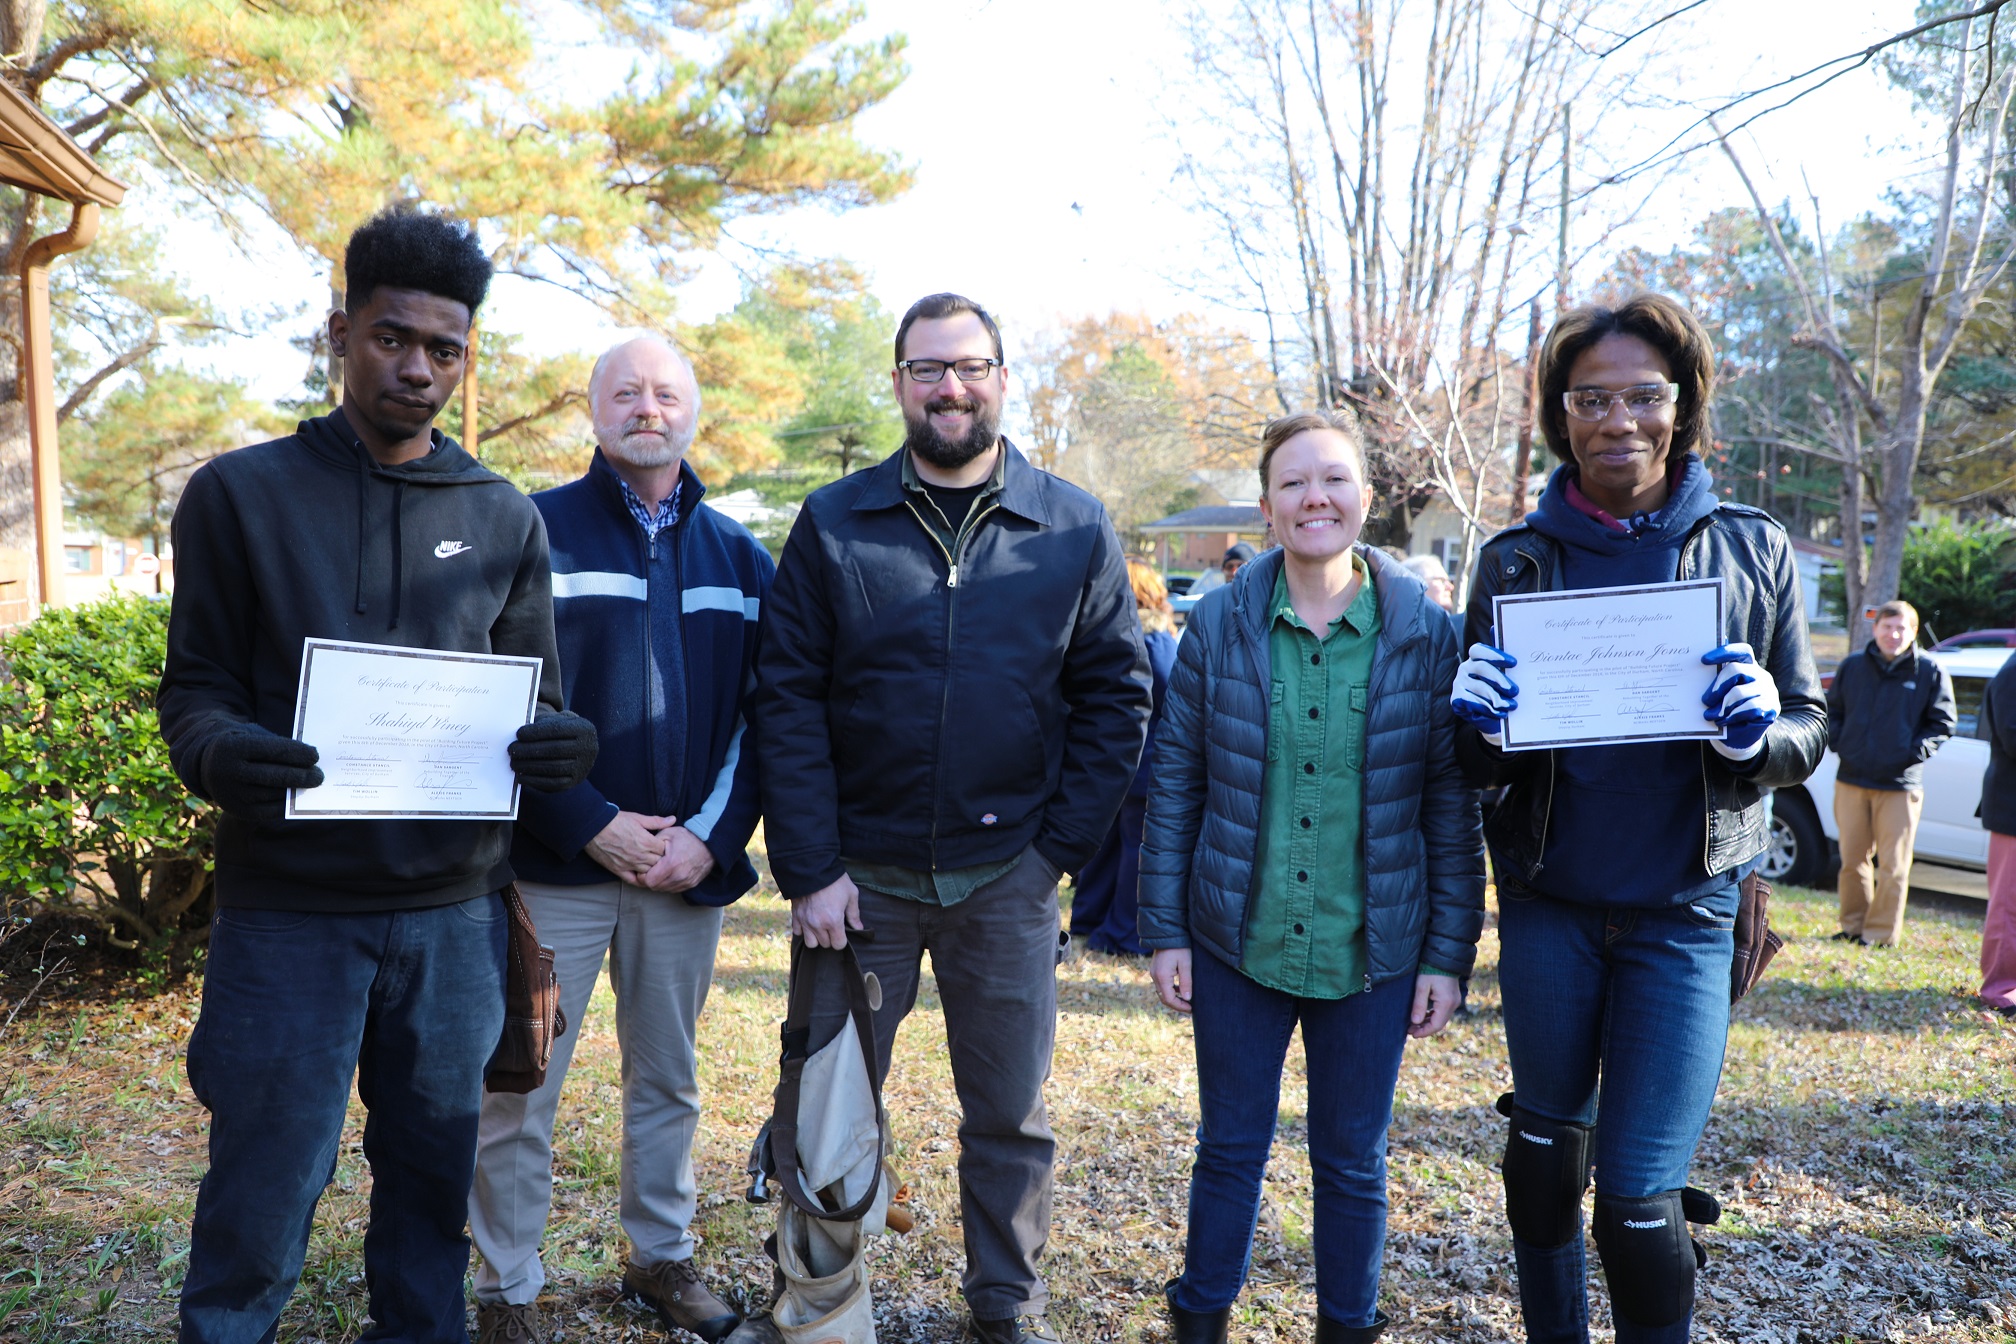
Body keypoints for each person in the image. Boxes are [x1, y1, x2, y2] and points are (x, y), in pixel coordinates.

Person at [156, 208, 599, 1344]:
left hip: (454, 921)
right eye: (391, 338)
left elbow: (534, 697)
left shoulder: (503, 517)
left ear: (467, 356)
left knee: (429, 1186)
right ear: (340, 330)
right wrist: (222, 752)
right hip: (289, 918)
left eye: (443, 349)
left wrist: (558, 743)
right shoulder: (239, 495)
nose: (416, 368)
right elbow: (194, 688)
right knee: (263, 1189)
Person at [753, 292, 1152, 1344]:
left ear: (1003, 378)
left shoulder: (1071, 527)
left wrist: (1054, 855)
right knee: (826, 1099)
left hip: (1004, 879)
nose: (950, 388)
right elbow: (785, 696)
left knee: (1011, 1116)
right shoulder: (836, 523)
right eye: (927, 370)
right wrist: (810, 869)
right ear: (898, 384)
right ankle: (819, 1300)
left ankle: (1004, 1304)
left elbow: (1119, 698)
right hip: (858, 881)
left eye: (969, 366)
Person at [1448, 293, 1825, 1344]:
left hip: (1684, 913)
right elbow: (1478, 759)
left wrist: (1761, 737)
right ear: (1560, 415)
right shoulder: (1515, 560)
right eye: (1592, 399)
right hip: (1549, 906)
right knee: (1538, 1162)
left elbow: (1807, 723)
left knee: (1638, 1202)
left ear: (1684, 404)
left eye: (1644, 396)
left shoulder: (1751, 549)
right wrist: (1474, 721)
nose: (1619, 420)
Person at [1140, 409, 1483, 1344]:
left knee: (1352, 1162)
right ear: (1266, 507)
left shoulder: (1426, 635)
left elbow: (1450, 807)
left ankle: (1348, 1327)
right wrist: (1165, 930)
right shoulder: (1219, 625)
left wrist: (1449, 953)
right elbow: (1175, 783)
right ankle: (1200, 1322)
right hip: (1237, 942)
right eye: (1293, 482)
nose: (1314, 497)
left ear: (1366, 498)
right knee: (1230, 1151)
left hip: (1372, 950)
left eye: (1333, 478)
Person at [468, 337, 772, 1344]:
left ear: (695, 411)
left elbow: (765, 722)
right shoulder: (531, 532)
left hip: (684, 875)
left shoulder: (741, 559)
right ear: (594, 410)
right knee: (519, 1083)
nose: (648, 405)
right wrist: (591, 824)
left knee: (670, 1077)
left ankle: (662, 1258)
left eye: (666, 390)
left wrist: (712, 840)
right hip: (556, 870)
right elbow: (496, 703)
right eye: (626, 390)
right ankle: (508, 1287)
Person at [1825, 599, 1956, 947]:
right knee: (1852, 861)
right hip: (1852, 779)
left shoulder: (1929, 671)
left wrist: (1911, 754)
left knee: (1894, 867)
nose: (1893, 634)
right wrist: (1841, 744)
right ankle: (1852, 926)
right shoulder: (1853, 666)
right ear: (1875, 629)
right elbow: (1832, 712)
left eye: (1901, 628)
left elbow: (1942, 724)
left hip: (1900, 786)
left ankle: (1881, 935)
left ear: (1913, 632)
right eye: (1887, 626)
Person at [1068, 558, 1181, 956]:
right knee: (1136, 848)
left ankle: (1089, 918)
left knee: (1107, 845)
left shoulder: (1105, 637)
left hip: (1110, 760)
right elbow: (1172, 697)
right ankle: (1120, 933)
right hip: (1145, 762)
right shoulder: (1155, 641)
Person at [1974, 652, 2016, 1017]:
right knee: (2008, 905)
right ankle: (2000, 989)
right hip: (2011, 809)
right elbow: (2012, 736)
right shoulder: (2012, 673)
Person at [1189, 541, 1256, 596]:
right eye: (1230, 567)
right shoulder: (1215, 600)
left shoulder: (1260, 600)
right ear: (1223, 570)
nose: (1234, 572)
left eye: (1241, 567)